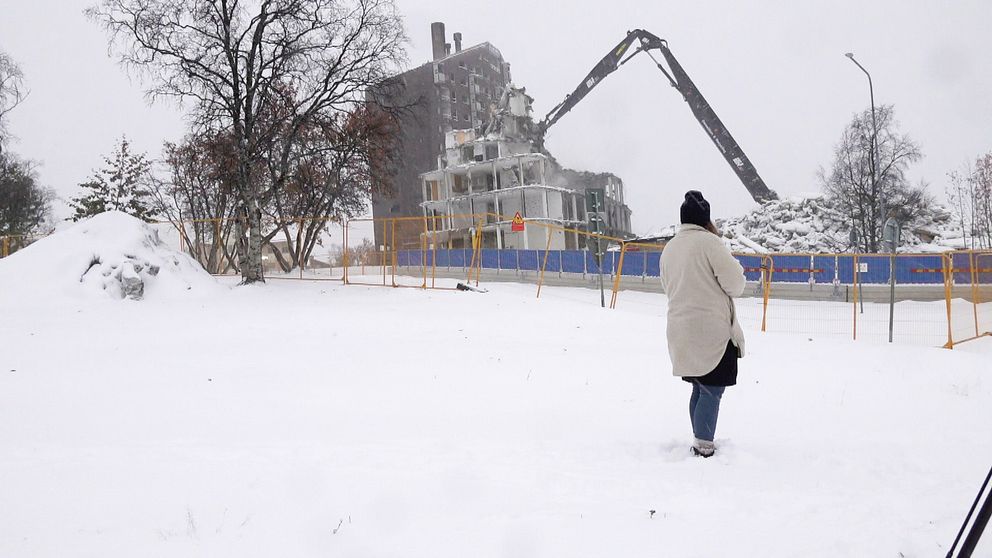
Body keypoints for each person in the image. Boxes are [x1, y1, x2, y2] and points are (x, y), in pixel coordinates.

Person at [659, 191, 746, 458]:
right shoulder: (710, 243)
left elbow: (667, 286)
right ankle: (704, 446)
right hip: (710, 332)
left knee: (699, 386)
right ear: (706, 219)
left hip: (680, 329)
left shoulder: (670, 247)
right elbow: (735, 284)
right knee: (712, 388)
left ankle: (700, 437)